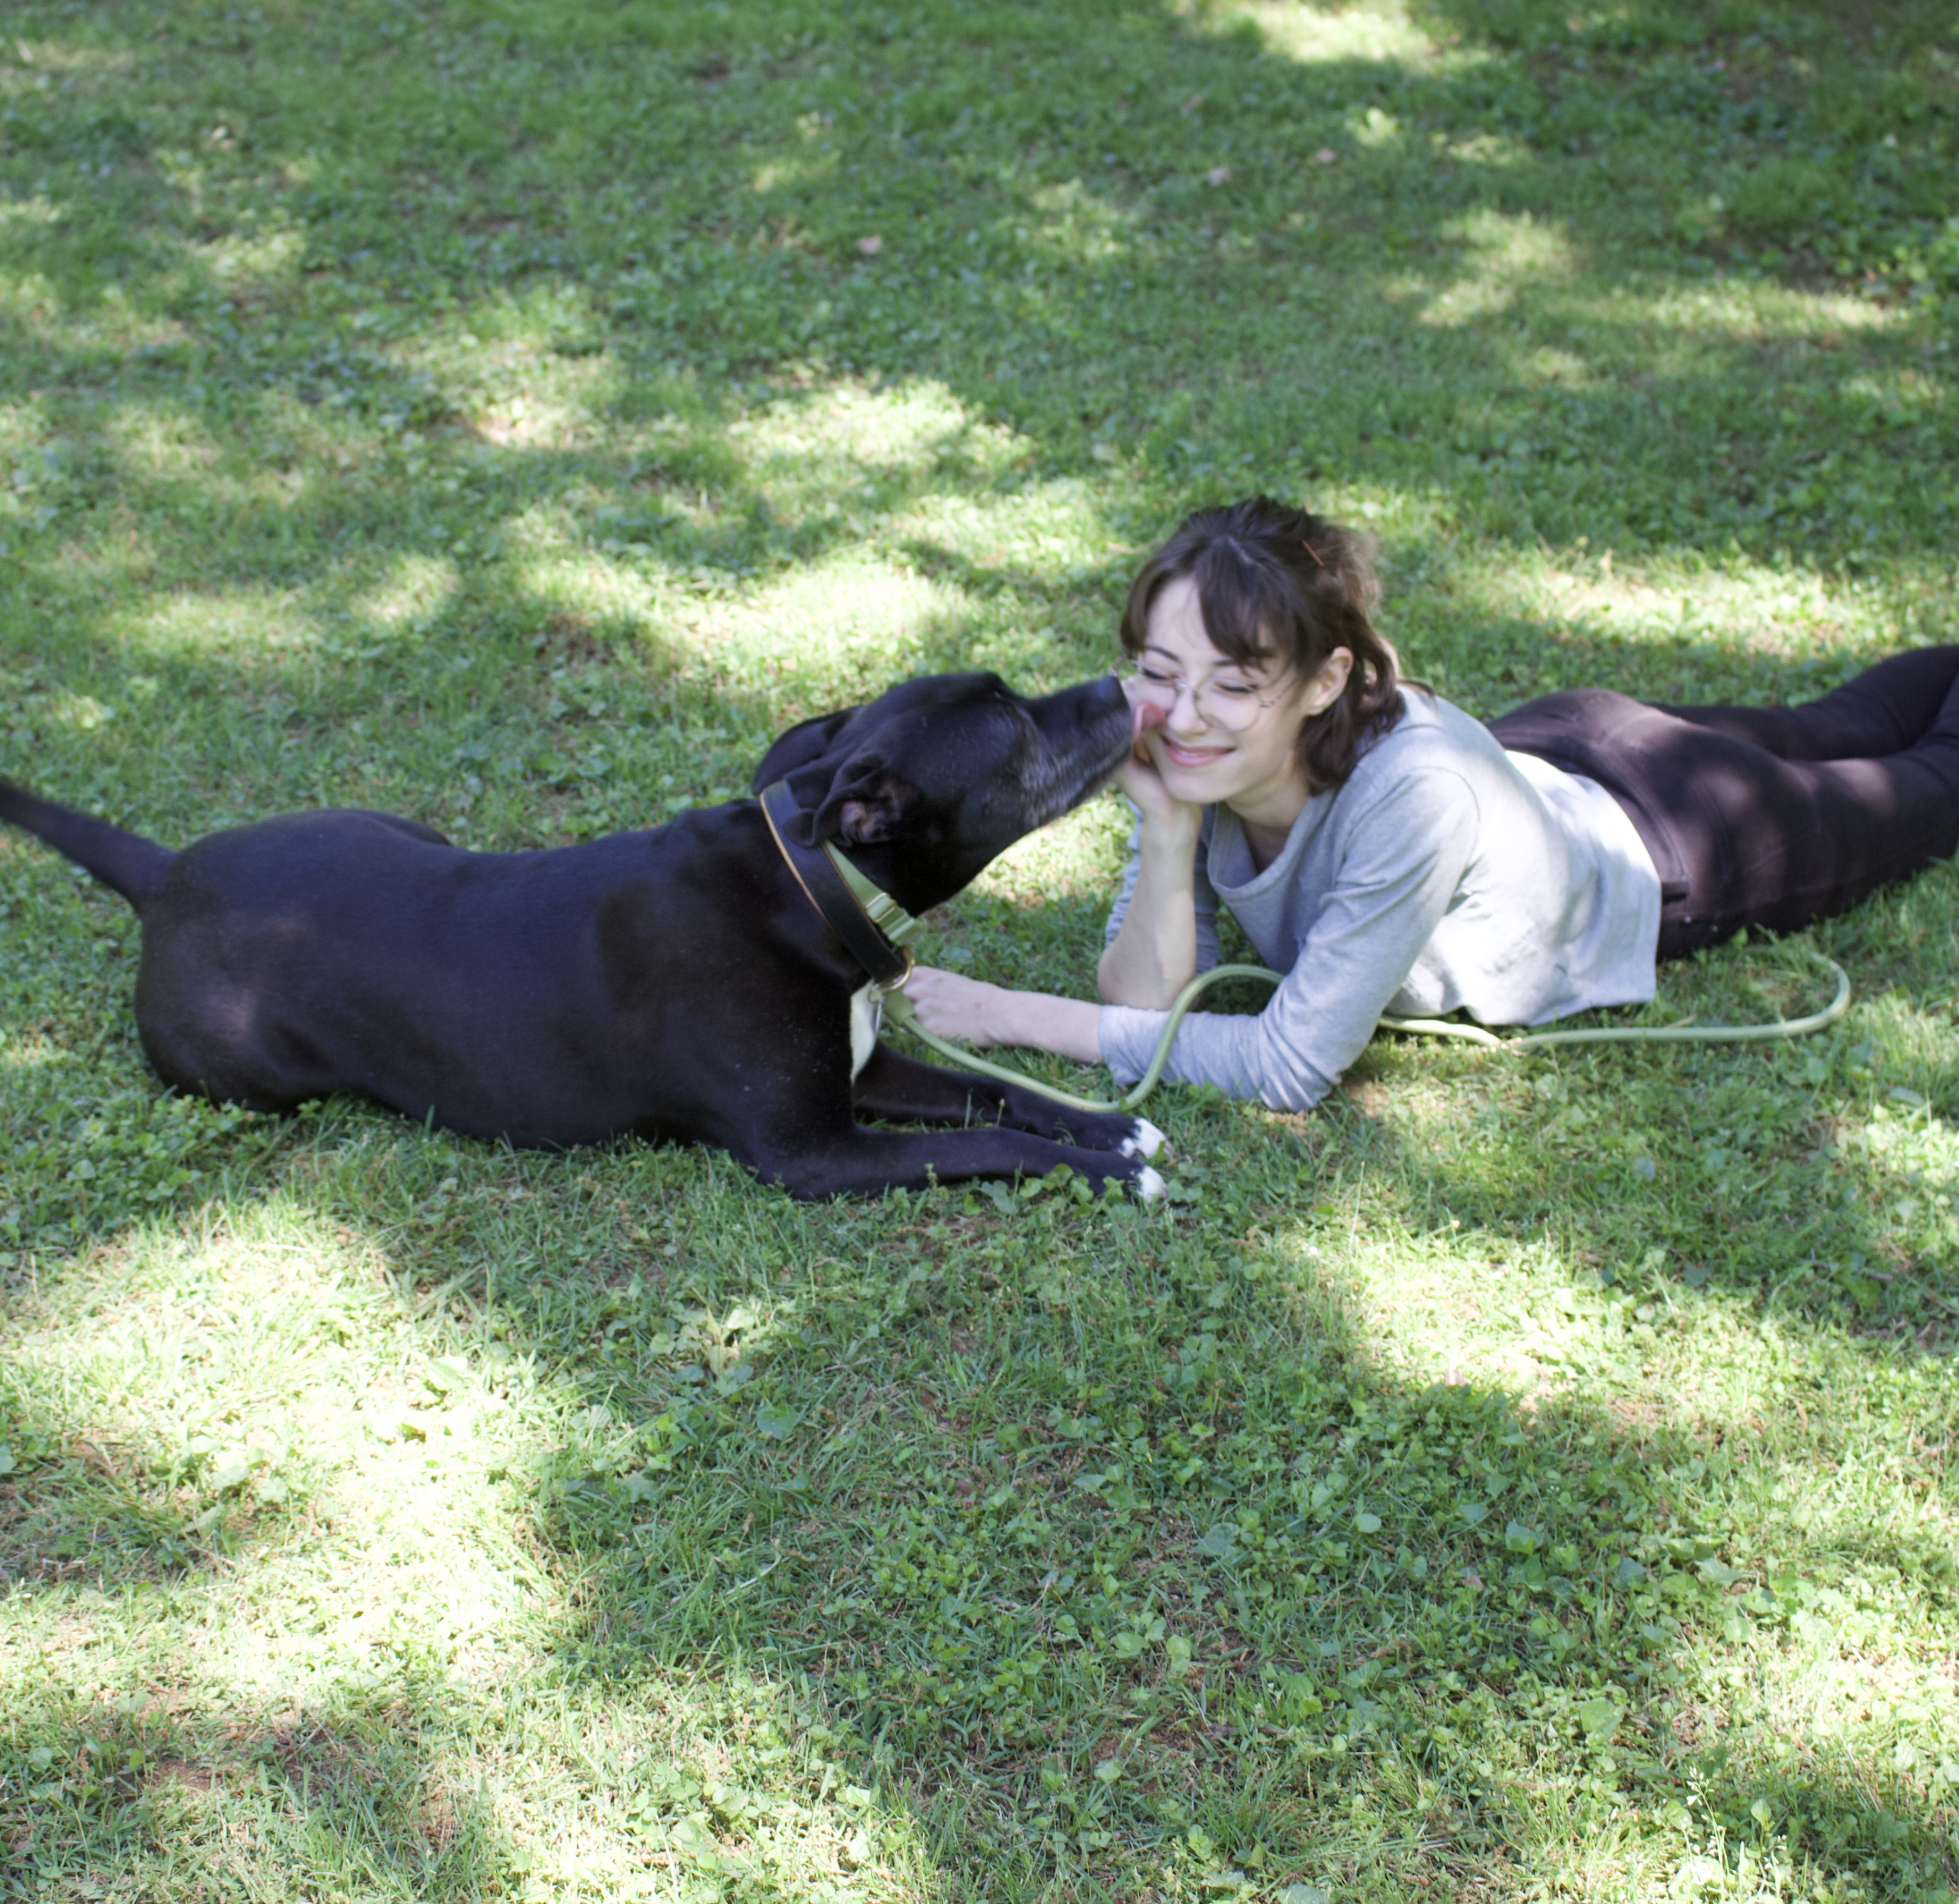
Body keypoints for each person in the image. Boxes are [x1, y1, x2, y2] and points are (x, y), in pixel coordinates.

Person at [901, 495, 1959, 1112]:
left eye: (1234, 682)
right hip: (1558, 746)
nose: (1182, 717)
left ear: (1326, 681)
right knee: (1847, 716)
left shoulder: (1409, 798)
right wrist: (1171, 831)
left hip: (1679, 837)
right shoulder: (1198, 754)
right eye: (1161, 671)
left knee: (1926, 777)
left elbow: (1289, 1066)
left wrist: (1002, 1015)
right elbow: (1144, 1007)